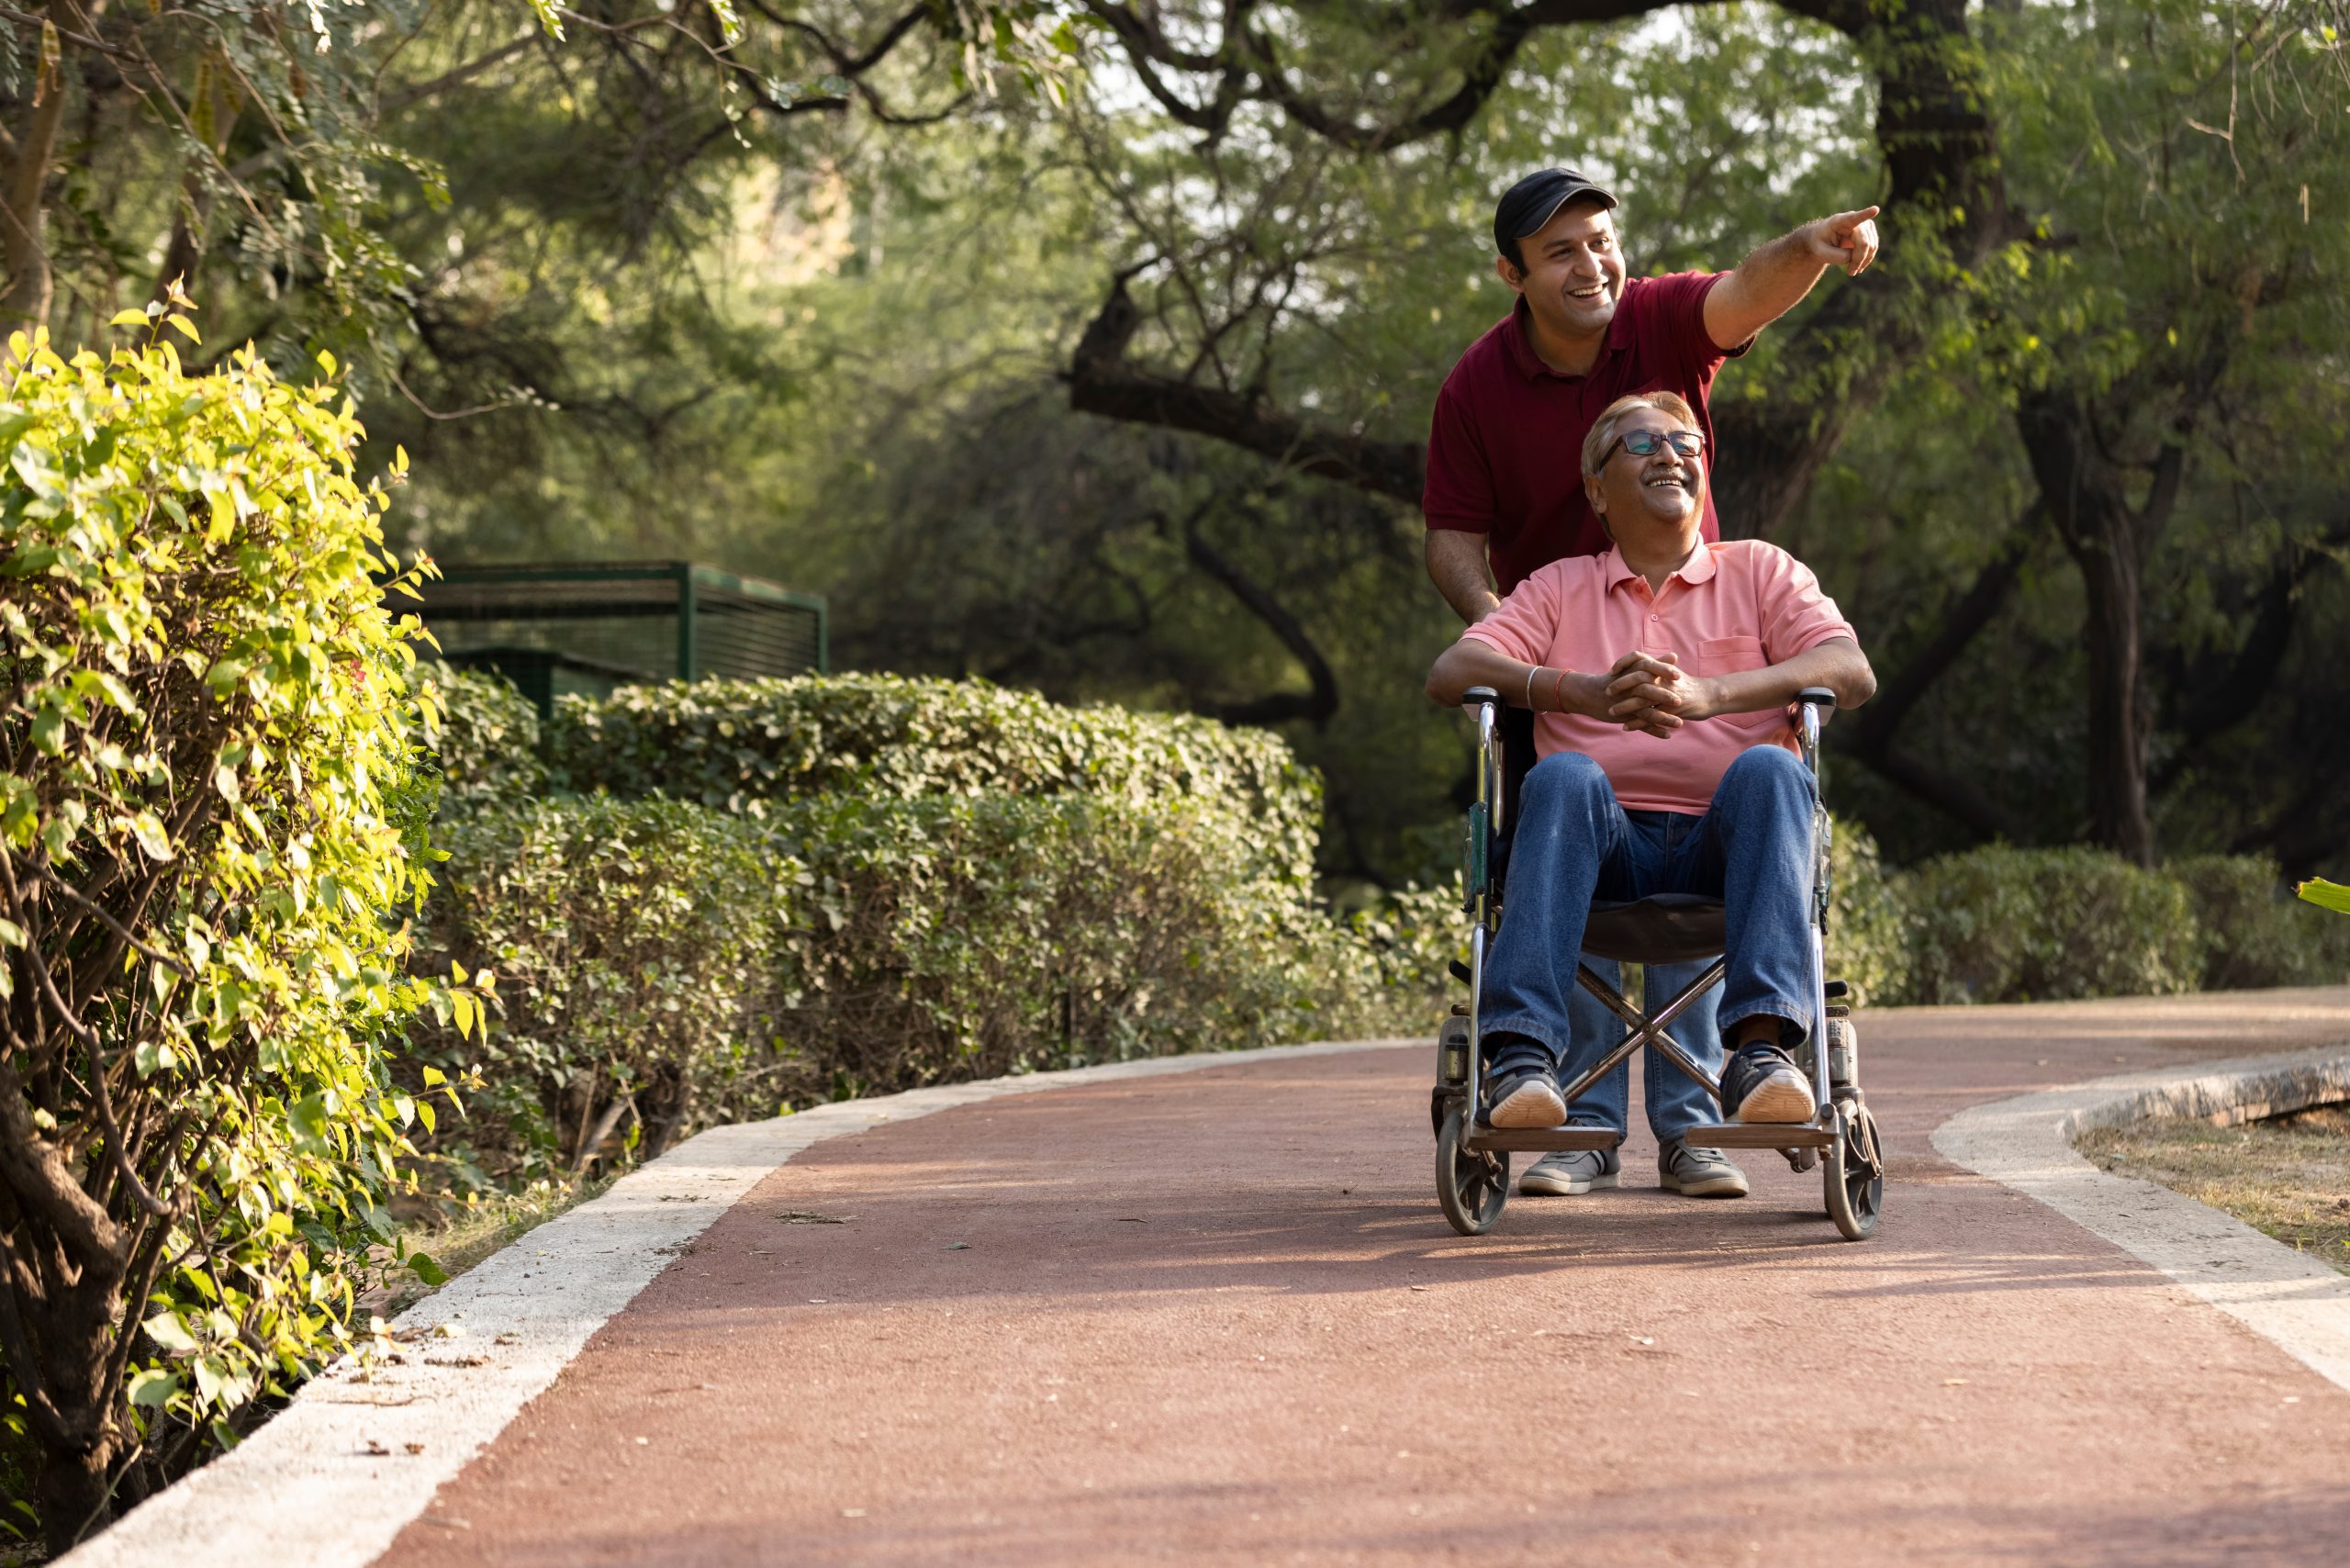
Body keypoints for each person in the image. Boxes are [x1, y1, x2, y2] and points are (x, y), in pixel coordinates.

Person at [1422, 166, 1879, 1200]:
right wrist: (1546, 673)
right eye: (1560, 251)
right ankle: (1560, 1105)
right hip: (1561, 695)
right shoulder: (1480, 395)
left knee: (1761, 774)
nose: (1591, 264)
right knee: (1564, 789)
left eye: (1599, 240)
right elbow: (1451, 551)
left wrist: (1808, 243)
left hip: (1716, 805)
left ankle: (1723, 1095)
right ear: (1514, 274)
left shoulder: (1754, 566)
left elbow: (1742, 293)